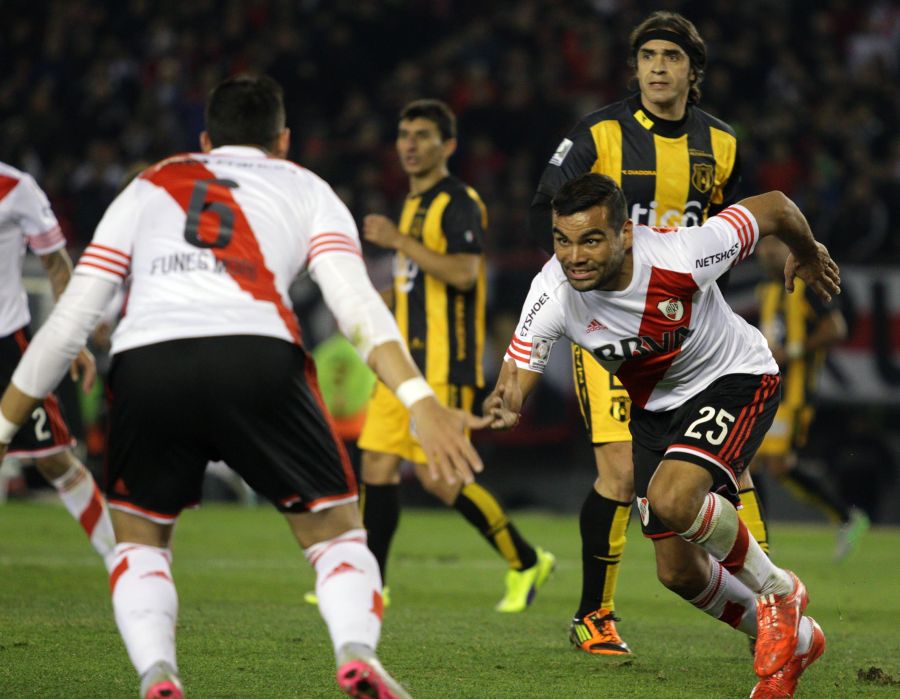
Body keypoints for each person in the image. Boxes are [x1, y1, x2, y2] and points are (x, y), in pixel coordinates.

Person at [0, 75, 489, 699]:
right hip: (257, 355)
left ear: (205, 140)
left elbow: (71, 320)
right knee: (336, 530)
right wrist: (421, 402)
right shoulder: (307, 187)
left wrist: (4, 425)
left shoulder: (149, 184)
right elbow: (356, 305)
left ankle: (158, 672)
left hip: (149, 362)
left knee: (142, 536)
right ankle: (356, 652)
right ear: (283, 141)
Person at [489, 173, 833, 697]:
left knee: (674, 498)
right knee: (678, 573)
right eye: (563, 240)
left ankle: (779, 592)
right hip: (656, 412)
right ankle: (800, 640)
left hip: (736, 378)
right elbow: (515, 377)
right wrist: (503, 403)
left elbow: (776, 206)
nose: (574, 256)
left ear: (624, 233)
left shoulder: (683, 255)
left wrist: (806, 251)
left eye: (590, 239)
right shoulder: (553, 289)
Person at [528, 10, 769, 655]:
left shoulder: (722, 143)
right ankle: (593, 616)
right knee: (622, 475)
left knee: (729, 470)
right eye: (647, 57)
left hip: (688, 332)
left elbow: (731, 224)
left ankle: (764, 612)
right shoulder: (600, 132)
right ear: (634, 68)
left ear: (695, 70)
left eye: (670, 56)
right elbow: (551, 204)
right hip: (610, 332)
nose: (657, 68)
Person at [356, 99, 554, 612]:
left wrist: (397, 240)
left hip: (445, 363)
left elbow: (465, 272)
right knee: (376, 462)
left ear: (447, 145)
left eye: (423, 135)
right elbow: (412, 286)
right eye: (404, 135)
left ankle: (526, 559)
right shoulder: (411, 205)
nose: (410, 145)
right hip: (405, 364)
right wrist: (367, 306)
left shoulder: (459, 201)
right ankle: (370, 588)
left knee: (440, 479)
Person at [0, 160, 115, 568]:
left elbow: (55, 262)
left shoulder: (15, 187)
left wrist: (74, 336)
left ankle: (119, 558)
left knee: (52, 457)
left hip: (6, 349)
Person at [752, 236, 869, 561]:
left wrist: (792, 351)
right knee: (772, 465)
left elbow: (836, 328)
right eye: (763, 247)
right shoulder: (767, 290)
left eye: (774, 247)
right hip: (769, 389)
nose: (766, 253)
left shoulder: (805, 287)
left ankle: (758, 545)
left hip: (794, 393)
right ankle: (845, 516)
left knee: (759, 462)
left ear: (789, 252)